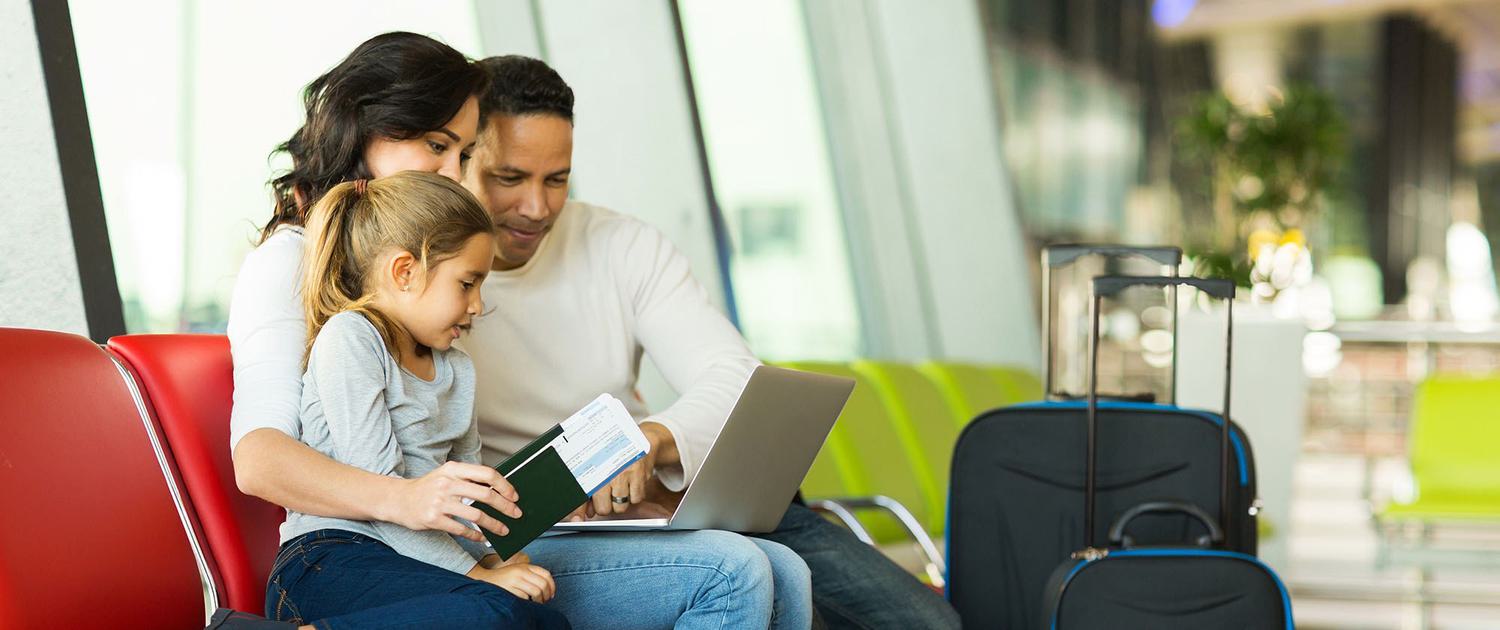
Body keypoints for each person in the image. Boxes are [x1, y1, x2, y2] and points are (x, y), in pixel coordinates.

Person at [229, 32, 805, 630]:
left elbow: (461, 468)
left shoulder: (442, 313)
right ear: (365, 130)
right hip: (371, 544)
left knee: (782, 568)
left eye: (465, 152)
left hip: (469, 530)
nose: (457, 174)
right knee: (729, 570)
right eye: (437, 145)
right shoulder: (302, 269)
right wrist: (418, 506)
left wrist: (584, 482)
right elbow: (261, 460)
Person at [459, 55, 961, 630]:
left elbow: (735, 374)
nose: (537, 208)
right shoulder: (435, 281)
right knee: (753, 576)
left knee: (930, 624)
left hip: (674, 498)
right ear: (463, 159)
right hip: (551, 526)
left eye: (557, 180)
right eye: (510, 178)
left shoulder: (620, 243)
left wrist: (656, 440)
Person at [265, 172, 567, 629]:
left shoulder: (457, 368)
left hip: (416, 559)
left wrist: (494, 557)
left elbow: (471, 505)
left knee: (542, 621)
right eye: (468, 283)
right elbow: (385, 500)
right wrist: (479, 576)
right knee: (497, 612)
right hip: (332, 559)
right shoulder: (352, 338)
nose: (478, 306)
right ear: (405, 272)